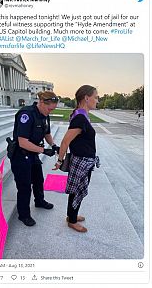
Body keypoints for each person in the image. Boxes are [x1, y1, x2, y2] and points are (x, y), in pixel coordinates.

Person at [53, 85, 99, 233]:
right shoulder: (80, 117)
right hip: (81, 162)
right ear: (86, 97)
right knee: (77, 191)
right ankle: (72, 220)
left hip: (84, 161)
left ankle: (71, 215)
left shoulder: (81, 115)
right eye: (96, 97)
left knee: (77, 190)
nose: (97, 100)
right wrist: (59, 161)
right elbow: (65, 141)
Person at [10, 91, 59, 226]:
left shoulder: (44, 115)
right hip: (20, 155)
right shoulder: (26, 114)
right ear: (42, 103)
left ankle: (39, 201)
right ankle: (23, 215)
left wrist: (54, 146)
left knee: (38, 180)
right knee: (24, 186)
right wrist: (44, 150)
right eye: (49, 109)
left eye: (52, 110)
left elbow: (47, 132)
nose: (50, 112)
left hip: (32, 154)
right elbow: (23, 142)